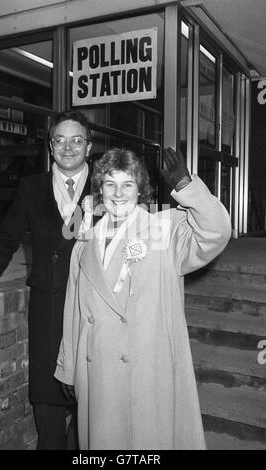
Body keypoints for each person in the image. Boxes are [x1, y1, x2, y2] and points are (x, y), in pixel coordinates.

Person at [54, 147, 231, 450]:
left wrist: (186, 186)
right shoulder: (83, 244)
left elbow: (216, 232)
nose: (118, 193)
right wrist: (69, 368)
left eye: (127, 184)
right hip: (98, 376)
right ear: (99, 190)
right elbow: (74, 312)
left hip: (148, 374)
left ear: (140, 190)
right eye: (110, 184)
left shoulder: (165, 228)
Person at [0, 110, 97, 450]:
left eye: (76, 140)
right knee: (47, 397)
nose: (68, 147)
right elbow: (6, 238)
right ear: (50, 148)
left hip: (95, 307)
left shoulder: (107, 184)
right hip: (48, 306)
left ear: (89, 147)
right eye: (60, 140)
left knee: (92, 397)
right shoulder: (32, 187)